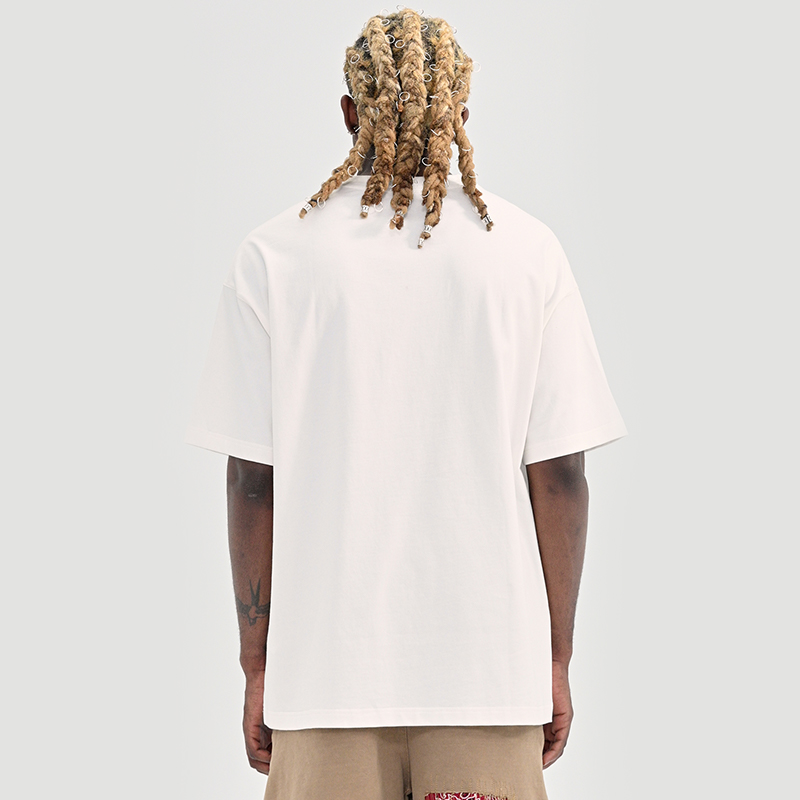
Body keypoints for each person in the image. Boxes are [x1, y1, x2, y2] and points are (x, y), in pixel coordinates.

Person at [184, 8, 627, 800]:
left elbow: (253, 482)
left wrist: (257, 665)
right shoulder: (528, 253)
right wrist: (555, 656)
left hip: (323, 677)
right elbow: (560, 474)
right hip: (490, 673)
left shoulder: (274, 257)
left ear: (348, 112)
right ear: (463, 113)